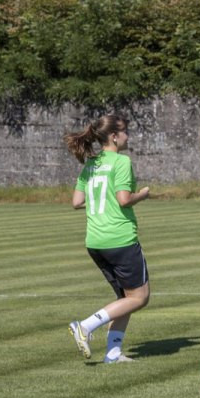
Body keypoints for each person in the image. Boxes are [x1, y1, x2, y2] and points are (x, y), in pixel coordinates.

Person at [65, 115, 152, 364]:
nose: (127, 136)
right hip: (120, 239)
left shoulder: (90, 164)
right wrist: (143, 194)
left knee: (125, 299)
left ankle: (113, 353)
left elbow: (76, 202)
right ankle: (85, 326)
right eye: (125, 132)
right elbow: (124, 199)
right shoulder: (121, 162)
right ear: (114, 136)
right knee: (139, 298)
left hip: (95, 241)